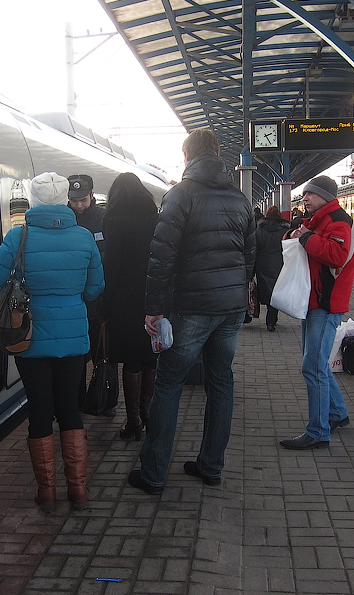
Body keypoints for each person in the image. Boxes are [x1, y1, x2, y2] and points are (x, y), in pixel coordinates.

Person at [128, 128, 255, 494]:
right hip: (230, 309)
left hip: (193, 307)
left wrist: (154, 309)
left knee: (169, 384)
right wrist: (238, 293)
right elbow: (249, 256)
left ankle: (153, 474)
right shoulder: (240, 199)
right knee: (221, 381)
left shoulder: (180, 195)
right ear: (217, 154)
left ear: (187, 156)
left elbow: (161, 258)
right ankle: (211, 466)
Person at [0, 172, 104, 511]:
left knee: (39, 410)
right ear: (65, 199)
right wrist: (71, 298)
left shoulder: (18, 236)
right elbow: (96, 287)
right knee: (69, 409)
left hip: (30, 337)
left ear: (33, 201)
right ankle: (78, 491)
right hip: (73, 338)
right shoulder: (84, 237)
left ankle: (47, 493)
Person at [279, 175, 354, 451]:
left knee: (313, 366)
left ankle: (318, 431)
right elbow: (298, 236)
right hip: (312, 302)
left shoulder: (338, 221)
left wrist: (306, 237)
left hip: (326, 304)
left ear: (325, 196)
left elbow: (336, 255)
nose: (305, 198)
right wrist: (294, 235)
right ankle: (337, 413)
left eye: (310, 194)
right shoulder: (318, 220)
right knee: (317, 363)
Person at [101, 173, 159, 441]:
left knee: (132, 359)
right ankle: (148, 414)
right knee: (150, 355)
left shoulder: (113, 221)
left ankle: (133, 420)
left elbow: (112, 266)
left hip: (124, 299)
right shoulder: (155, 219)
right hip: (152, 295)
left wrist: (105, 304)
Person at [67, 174, 109, 409]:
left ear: (92, 195)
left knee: (100, 352)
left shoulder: (104, 218)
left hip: (97, 301)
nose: (79, 205)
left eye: (83, 200)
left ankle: (103, 399)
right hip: (74, 301)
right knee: (76, 357)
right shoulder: (64, 219)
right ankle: (77, 400)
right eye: (74, 201)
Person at [255, 205, 289, 332]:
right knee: (276, 290)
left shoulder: (259, 230)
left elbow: (255, 248)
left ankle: (270, 317)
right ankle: (271, 319)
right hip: (280, 263)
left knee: (266, 289)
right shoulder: (285, 231)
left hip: (262, 263)